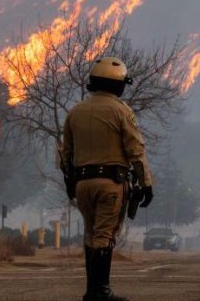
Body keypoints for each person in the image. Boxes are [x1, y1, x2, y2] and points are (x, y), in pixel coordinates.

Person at [61, 56, 154, 301]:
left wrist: (70, 182)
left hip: (82, 185)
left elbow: (65, 154)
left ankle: (92, 290)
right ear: (117, 85)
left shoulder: (75, 112)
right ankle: (100, 291)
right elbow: (136, 151)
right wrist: (146, 183)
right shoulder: (121, 111)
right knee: (104, 234)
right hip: (111, 184)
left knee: (91, 234)